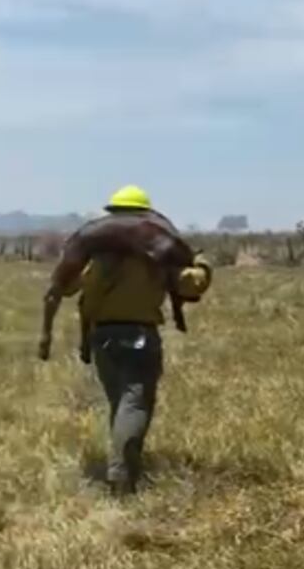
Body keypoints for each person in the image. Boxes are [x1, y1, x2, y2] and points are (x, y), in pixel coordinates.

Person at [41, 185, 212, 495]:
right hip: (140, 338)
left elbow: (66, 288)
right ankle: (122, 476)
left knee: (120, 403)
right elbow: (191, 286)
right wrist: (202, 263)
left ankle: (125, 464)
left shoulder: (92, 255)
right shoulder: (158, 254)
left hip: (102, 338)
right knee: (135, 403)